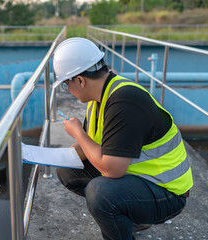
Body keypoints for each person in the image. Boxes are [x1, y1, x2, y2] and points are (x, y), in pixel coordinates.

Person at [52, 37, 193, 240]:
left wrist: (78, 134)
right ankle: (128, 216)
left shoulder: (124, 100)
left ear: (80, 80)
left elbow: (112, 169)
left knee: (100, 193)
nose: (69, 91)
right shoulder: (100, 97)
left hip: (168, 191)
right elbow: (88, 147)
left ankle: (126, 221)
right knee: (67, 169)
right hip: (140, 178)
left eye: (66, 85)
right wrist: (47, 156)